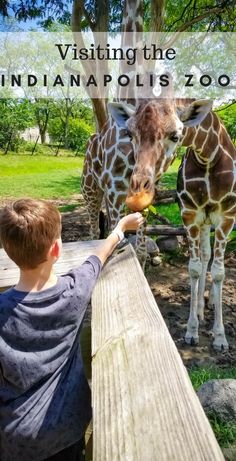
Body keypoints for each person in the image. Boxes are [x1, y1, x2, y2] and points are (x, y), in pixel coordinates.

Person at [0, 198, 144, 461]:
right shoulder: (75, 290)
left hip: (14, 436)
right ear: (56, 249)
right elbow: (97, 258)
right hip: (67, 428)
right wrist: (121, 228)